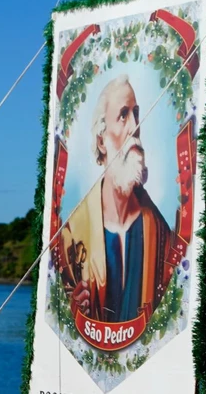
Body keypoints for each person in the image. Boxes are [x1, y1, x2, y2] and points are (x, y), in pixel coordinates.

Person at [62, 75, 174, 324]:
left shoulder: (162, 233)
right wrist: (75, 309)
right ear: (101, 141)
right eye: (123, 115)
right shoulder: (71, 233)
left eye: (136, 113)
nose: (135, 125)